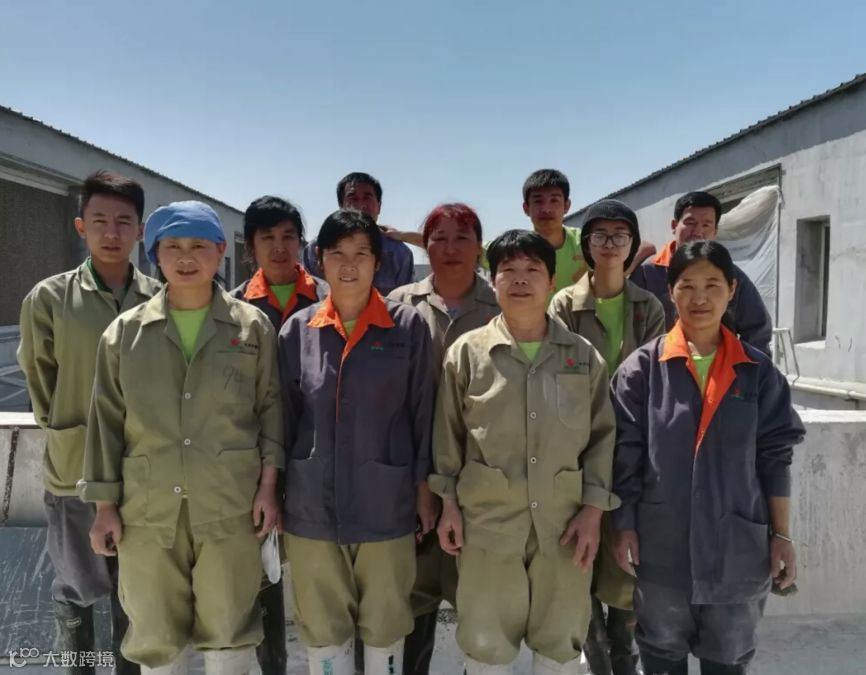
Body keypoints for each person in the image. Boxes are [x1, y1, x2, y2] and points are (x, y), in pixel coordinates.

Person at [81, 201, 283, 675]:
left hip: (230, 507)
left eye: (198, 245)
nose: (186, 257)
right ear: (155, 254)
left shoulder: (252, 327)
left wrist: (269, 487)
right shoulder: (125, 333)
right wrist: (104, 507)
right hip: (147, 512)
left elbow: (271, 409)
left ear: (220, 251)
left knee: (230, 632)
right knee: (155, 636)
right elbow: (106, 421)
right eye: (172, 246)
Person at [610, 241, 805, 675]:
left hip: (737, 550)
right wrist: (623, 526)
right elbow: (625, 458)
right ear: (671, 293)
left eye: (712, 285)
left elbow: (775, 458)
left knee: (727, 660)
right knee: (661, 657)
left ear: (732, 290)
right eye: (687, 286)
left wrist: (782, 535)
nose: (700, 298)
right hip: (661, 549)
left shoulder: (758, 372)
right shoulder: (640, 371)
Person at [432, 230, 619, 675]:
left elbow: (602, 437)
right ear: (492, 280)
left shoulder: (582, 357)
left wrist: (593, 511)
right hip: (488, 527)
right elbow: (448, 435)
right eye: (508, 270)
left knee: (560, 646)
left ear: (551, 281)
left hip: (565, 528)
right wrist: (448, 505)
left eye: (532, 269)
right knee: (486, 646)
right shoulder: (467, 354)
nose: (520, 279)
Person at [278, 208, 435, 675]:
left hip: (386, 505)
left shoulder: (408, 327)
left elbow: (423, 414)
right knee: (324, 631)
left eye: (361, 253)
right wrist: (277, 490)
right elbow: (282, 419)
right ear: (318, 259)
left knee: (386, 627)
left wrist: (425, 491)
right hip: (311, 508)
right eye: (337, 253)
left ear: (378, 261)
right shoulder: (296, 331)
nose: (349, 265)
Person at [17, 170, 160, 675]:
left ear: (140, 229)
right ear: (81, 226)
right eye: (100, 220)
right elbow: (40, 381)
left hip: (143, 472)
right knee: (76, 585)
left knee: (135, 590)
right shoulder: (50, 298)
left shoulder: (160, 298)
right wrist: (71, 431)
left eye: (123, 221)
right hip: (74, 470)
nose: (111, 232)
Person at [548, 199, 665, 675]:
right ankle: (598, 660)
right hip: (575, 451)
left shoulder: (648, 307)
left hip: (632, 450)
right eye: (600, 235)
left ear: (632, 243)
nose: (610, 243)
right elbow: (558, 377)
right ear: (587, 246)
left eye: (620, 234)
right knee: (578, 561)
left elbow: (653, 381)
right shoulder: (564, 305)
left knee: (623, 571)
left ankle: (622, 657)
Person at [388, 203, 500, 675]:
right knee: (412, 601)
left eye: (462, 238)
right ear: (424, 246)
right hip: (410, 473)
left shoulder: (502, 306)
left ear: (479, 247)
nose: (450, 248)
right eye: (439, 238)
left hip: (479, 477)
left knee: (478, 602)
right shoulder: (398, 304)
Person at [229, 196, 326, 675]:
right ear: (251, 246)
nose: (279, 247)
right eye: (267, 238)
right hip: (254, 460)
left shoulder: (329, 297)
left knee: (318, 572)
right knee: (263, 574)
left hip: (317, 454)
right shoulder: (233, 306)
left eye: (289, 236)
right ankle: (274, 665)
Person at [384, 169, 655, 294]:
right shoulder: (513, 249)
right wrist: (403, 236)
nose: (546, 209)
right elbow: (458, 246)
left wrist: (619, 272)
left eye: (554, 200)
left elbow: (646, 246)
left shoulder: (585, 242)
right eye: (538, 201)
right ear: (526, 208)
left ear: (567, 205)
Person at [629, 191, 773, 354]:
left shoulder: (730, 275)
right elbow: (629, 330)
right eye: (690, 223)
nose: (697, 232)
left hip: (718, 367)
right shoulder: (647, 274)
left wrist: (747, 367)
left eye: (706, 225)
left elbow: (757, 329)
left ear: (715, 231)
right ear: (674, 226)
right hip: (661, 366)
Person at [302, 172, 414, 295]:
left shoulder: (399, 254)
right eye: (352, 198)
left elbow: (405, 300)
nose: (360, 205)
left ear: (379, 206)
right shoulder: (315, 249)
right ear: (341, 205)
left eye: (367, 197)